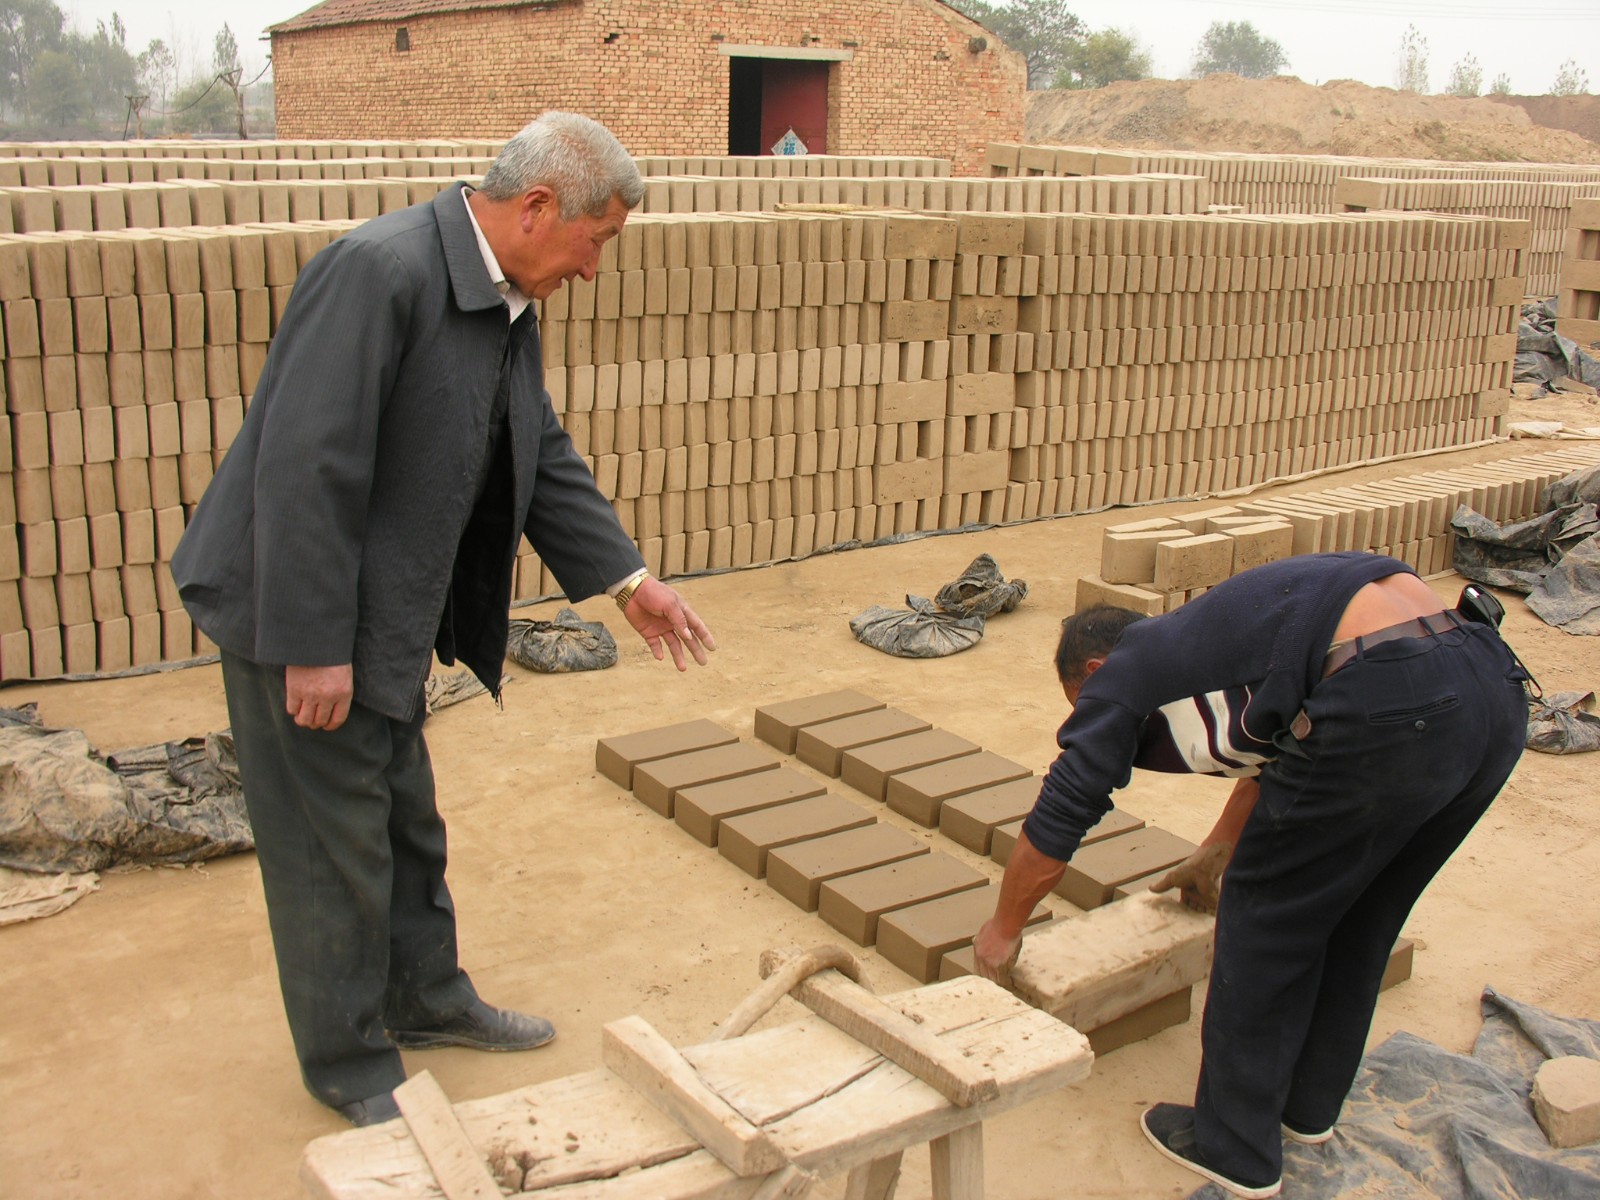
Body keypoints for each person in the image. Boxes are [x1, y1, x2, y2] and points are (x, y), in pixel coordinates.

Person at [172, 112, 716, 1127]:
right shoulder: (378, 274)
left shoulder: (506, 296)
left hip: (381, 613)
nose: (594, 270)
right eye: (595, 242)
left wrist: (627, 581)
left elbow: (535, 445)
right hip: (299, 618)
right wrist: (311, 647)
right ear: (538, 207)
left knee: (403, 822)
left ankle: (425, 996)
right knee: (333, 845)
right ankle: (347, 1063)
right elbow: (305, 468)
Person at [974, 551, 1527, 1198]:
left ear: (1093, 670)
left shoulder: (1125, 671)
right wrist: (1216, 850)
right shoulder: (1228, 637)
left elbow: (1063, 808)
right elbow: (1286, 746)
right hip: (1490, 682)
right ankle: (1308, 1111)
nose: (1088, 716)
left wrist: (1003, 929)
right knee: (1362, 916)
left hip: (1385, 695)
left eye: (1080, 702)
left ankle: (1233, 1146)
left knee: (1264, 922)